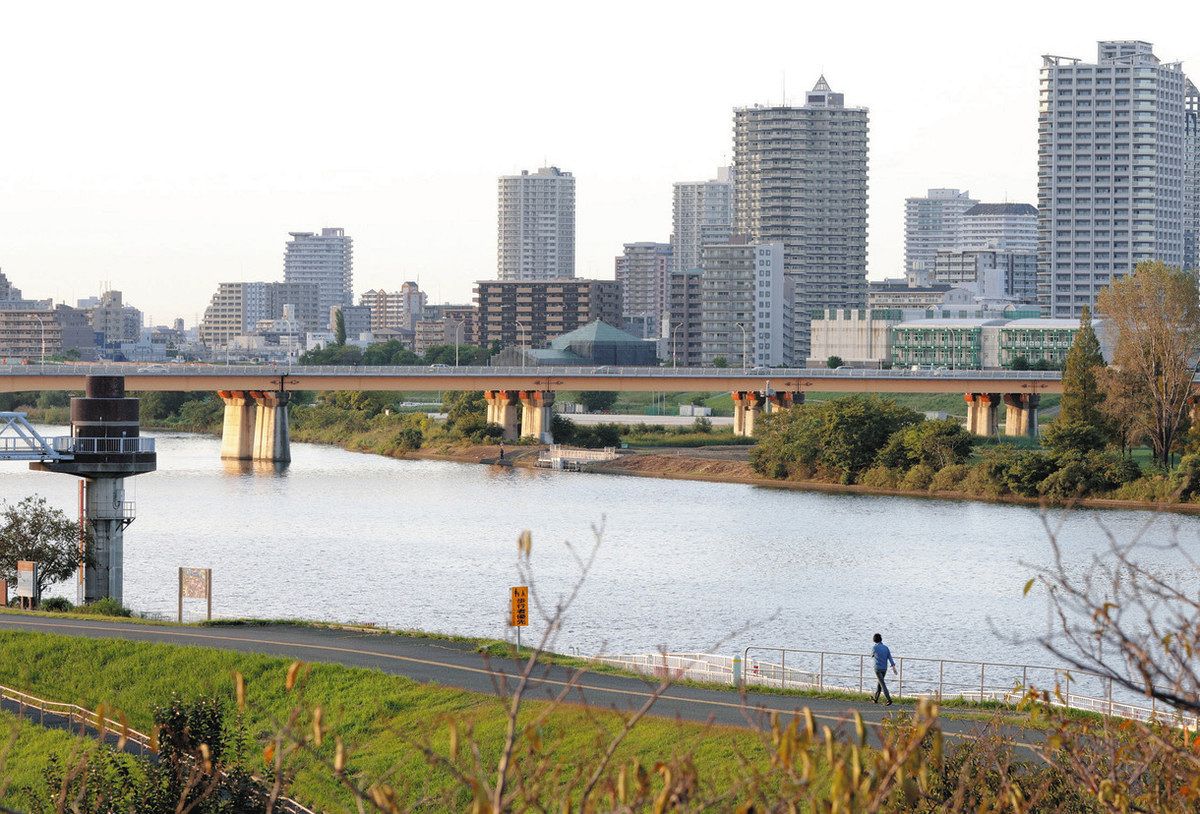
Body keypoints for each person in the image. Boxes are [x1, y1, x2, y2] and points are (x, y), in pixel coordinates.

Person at [872, 633, 896, 705]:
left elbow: (871, 655)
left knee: (882, 684)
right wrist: (893, 667)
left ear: (874, 640)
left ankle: (889, 699)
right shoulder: (886, 647)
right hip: (884, 668)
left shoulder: (874, 648)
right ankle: (876, 699)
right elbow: (890, 658)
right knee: (879, 683)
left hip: (877, 668)